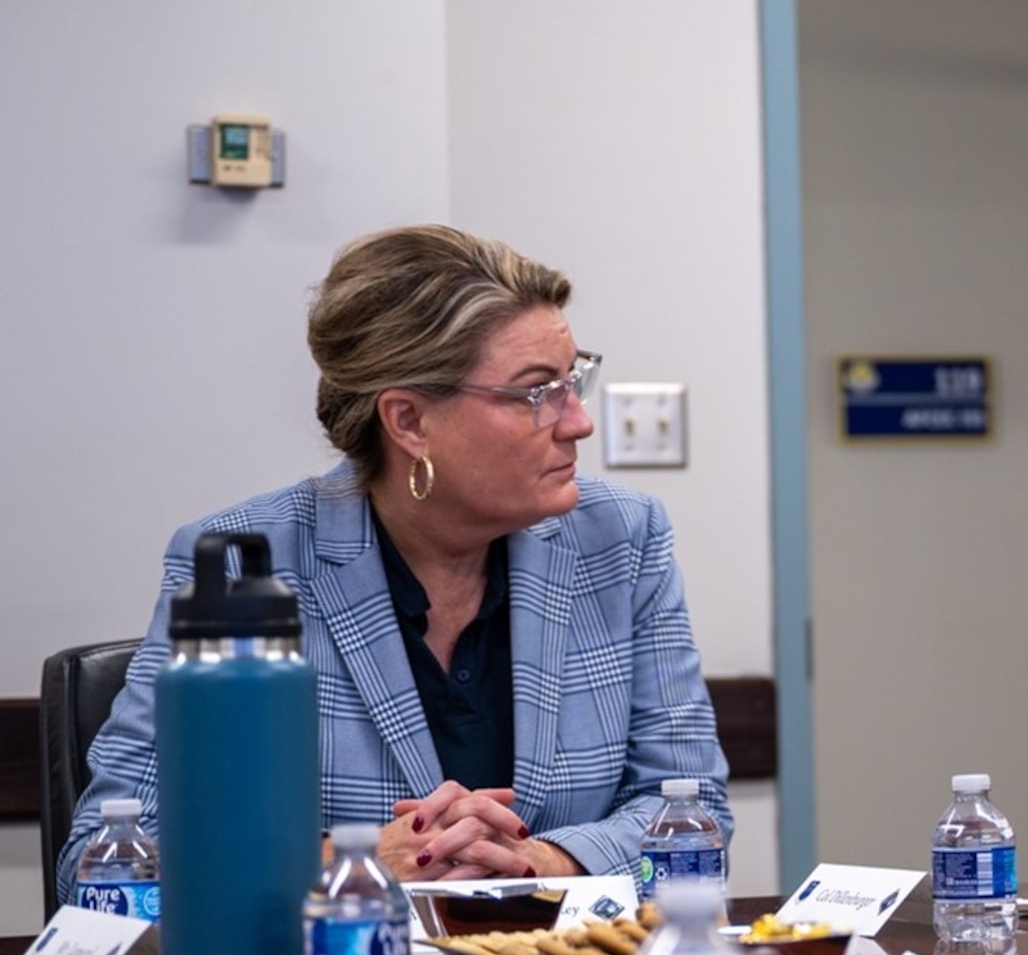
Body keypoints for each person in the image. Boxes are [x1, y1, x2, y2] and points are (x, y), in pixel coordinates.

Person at [56, 225, 729, 902]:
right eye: (536, 392)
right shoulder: (245, 564)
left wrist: (545, 862)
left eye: (573, 378)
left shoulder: (620, 537)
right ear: (408, 422)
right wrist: (345, 861)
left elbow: (696, 813)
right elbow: (106, 859)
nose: (578, 420)